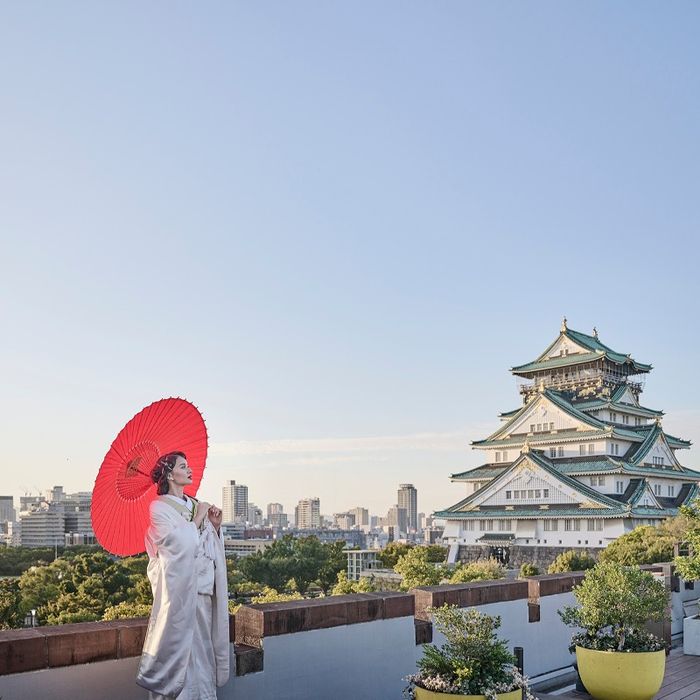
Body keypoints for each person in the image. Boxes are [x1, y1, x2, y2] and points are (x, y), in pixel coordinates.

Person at [136, 451, 230, 699]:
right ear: (169, 474)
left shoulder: (193, 503)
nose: (189, 470)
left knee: (203, 653)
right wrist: (199, 518)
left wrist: (215, 526)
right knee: (183, 656)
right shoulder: (158, 507)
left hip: (202, 592)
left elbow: (206, 546)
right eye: (183, 466)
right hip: (181, 595)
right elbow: (174, 545)